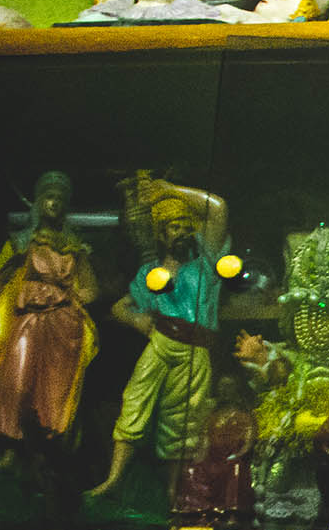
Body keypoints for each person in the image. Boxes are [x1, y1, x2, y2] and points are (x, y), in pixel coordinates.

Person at [87, 174, 234, 503]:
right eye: (173, 227)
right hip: (161, 342)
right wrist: (137, 319)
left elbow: (218, 208)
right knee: (135, 400)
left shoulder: (205, 262)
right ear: (161, 234)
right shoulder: (151, 272)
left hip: (195, 349)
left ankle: (173, 490)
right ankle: (113, 479)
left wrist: (169, 190)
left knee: (182, 419)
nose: (180, 232)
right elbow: (120, 306)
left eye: (184, 226)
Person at [0, 170, 99, 448]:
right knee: (16, 378)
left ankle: (45, 446)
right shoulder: (23, 242)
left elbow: (90, 288)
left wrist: (77, 299)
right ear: (39, 202)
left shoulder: (74, 248)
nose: (54, 203)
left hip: (63, 324)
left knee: (53, 388)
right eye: (49, 197)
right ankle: (10, 445)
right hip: (27, 318)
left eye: (60, 199)